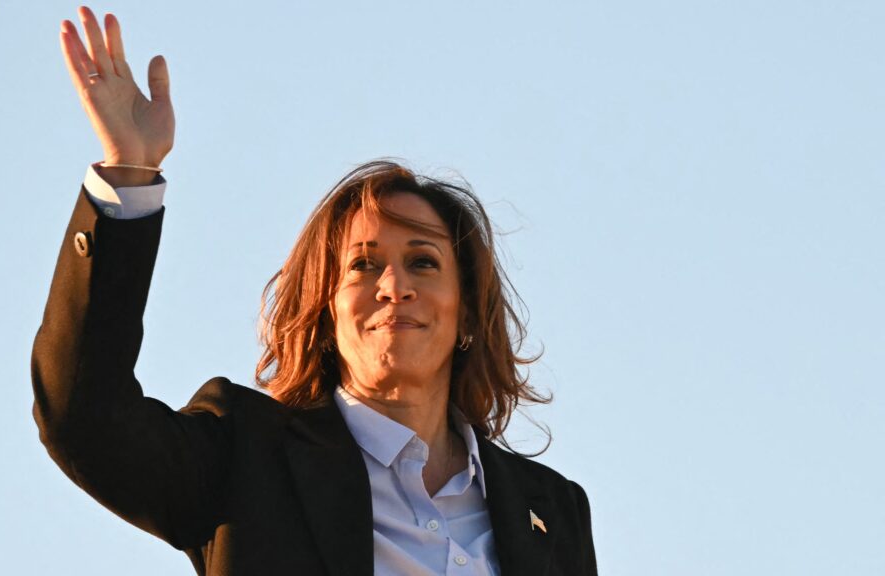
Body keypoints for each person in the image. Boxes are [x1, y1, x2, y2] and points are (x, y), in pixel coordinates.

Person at [33, 6, 598, 575]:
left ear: (469, 312)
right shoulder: (246, 458)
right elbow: (84, 418)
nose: (394, 286)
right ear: (326, 311)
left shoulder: (552, 509)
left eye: (423, 262)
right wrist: (129, 172)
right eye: (363, 266)